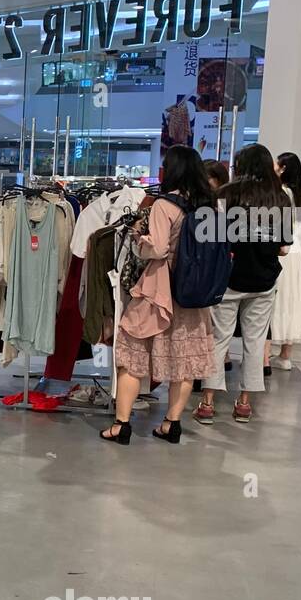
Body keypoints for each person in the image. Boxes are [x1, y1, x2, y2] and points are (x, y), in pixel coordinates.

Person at [100, 146, 214, 445]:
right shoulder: (209, 207)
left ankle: (122, 425)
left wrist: (140, 239)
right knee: (184, 362)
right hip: (194, 296)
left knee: (130, 352)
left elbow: (159, 248)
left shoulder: (165, 205)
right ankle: (171, 424)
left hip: (160, 292)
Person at [194, 144, 292, 425]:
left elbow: (209, 236)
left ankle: (208, 402)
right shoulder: (281, 199)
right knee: (254, 341)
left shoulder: (225, 195)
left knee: (218, 339)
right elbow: (284, 248)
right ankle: (244, 404)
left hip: (228, 278)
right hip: (264, 280)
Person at [265, 151, 301, 371]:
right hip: (296, 258)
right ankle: (285, 355)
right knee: (292, 302)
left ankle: (266, 353)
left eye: (276, 165)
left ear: (283, 169)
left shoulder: (280, 194)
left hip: (280, 254)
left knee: (273, 302)